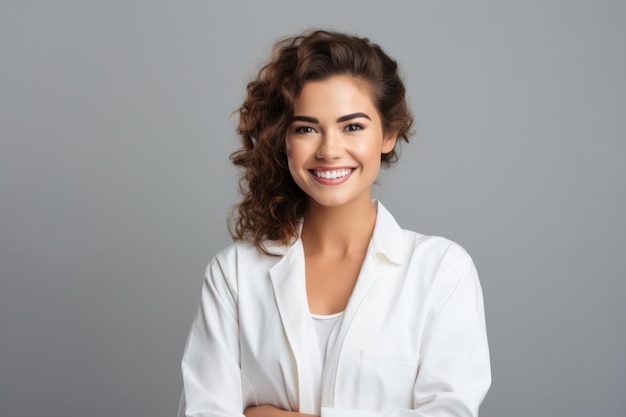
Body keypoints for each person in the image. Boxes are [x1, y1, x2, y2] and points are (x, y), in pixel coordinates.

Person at [178, 30, 491, 417]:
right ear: (284, 140)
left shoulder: (441, 271)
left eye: (353, 127)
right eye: (306, 128)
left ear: (388, 134)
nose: (328, 150)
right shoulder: (233, 274)